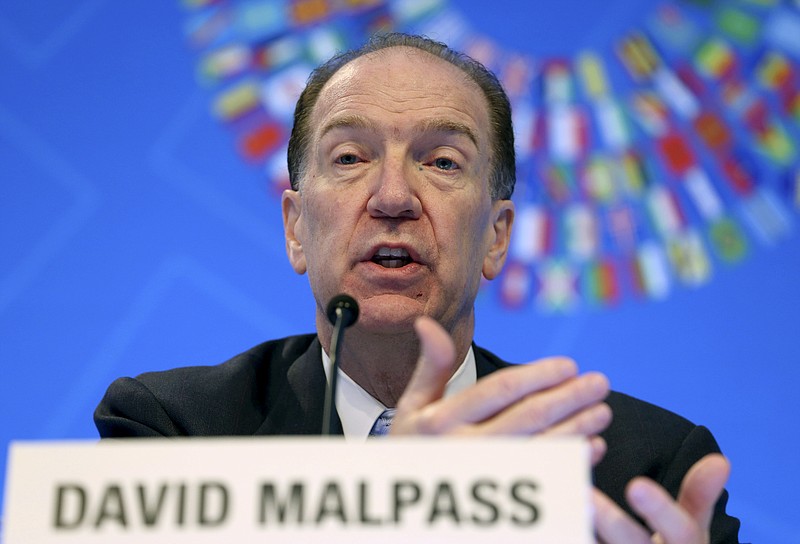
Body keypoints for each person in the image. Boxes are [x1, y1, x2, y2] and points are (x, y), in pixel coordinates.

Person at [95, 33, 741, 543]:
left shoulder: (642, 474)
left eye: (442, 162)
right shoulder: (176, 434)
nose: (394, 197)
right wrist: (393, 505)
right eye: (349, 158)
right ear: (296, 229)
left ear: (496, 235)